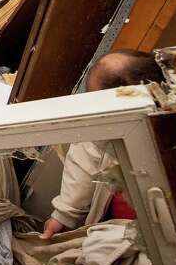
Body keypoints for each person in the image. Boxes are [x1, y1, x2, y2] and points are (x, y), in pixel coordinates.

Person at [41, 49, 165, 239]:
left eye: (99, 102)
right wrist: (63, 215)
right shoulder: (108, 125)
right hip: (105, 231)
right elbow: (88, 153)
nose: (96, 111)